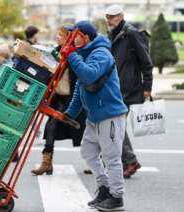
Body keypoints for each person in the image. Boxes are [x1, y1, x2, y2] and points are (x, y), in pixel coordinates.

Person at [63, 21, 128, 211]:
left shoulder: (101, 53)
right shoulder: (86, 53)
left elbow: (89, 75)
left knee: (112, 158)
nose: (70, 40)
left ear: (85, 37)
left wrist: (72, 56)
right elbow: (80, 86)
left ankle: (117, 198)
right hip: (94, 116)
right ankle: (104, 187)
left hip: (109, 114)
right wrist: (71, 113)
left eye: (73, 35)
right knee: (88, 152)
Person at [105, 5, 153, 178]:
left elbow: (146, 61)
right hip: (115, 86)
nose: (109, 20)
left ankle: (130, 161)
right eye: (108, 17)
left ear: (121, 16)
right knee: (115, 125)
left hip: (128, 87)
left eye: (113, 17)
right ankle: (125, 161)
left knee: (115, 125)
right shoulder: (113, 34)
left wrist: (147, 86)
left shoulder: (131, 33)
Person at [31, 26, 86, 176]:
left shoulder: (76, 54)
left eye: (60, 35)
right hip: (58, 98)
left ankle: (93, 161)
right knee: (51, 128)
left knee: (83, 130)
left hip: (74, 98)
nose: (57, 37)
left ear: (68, 38)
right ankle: (46, 163)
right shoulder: (55, 53)